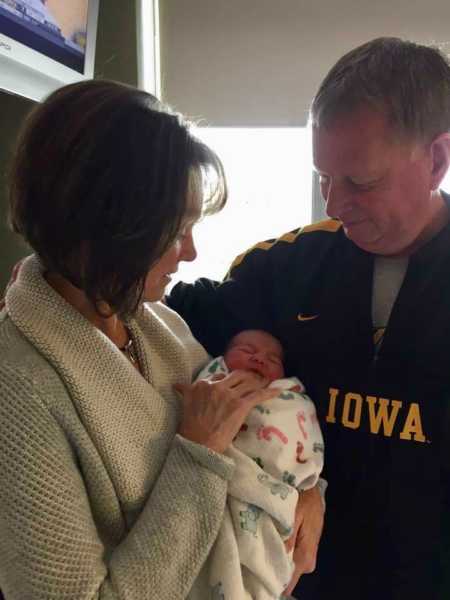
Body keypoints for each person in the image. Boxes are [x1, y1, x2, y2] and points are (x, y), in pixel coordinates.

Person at [167, 37, 450, 600]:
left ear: (438, 160)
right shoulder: (282, 268)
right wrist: (65, 283)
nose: (335, 205)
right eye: (324, 177)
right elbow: (156, 312)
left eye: (361, 183)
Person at [0, 79, 291, 599]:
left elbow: (250, 440)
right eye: (176, 230)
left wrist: (308, 494)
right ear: (105, 224)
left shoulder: (160, 328)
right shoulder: (17, 389)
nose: (191, 253)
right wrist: (198, 454)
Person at [196, 329, 324, 599]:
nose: (260, 359)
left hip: (277, 495)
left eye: (273, 359)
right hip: (225, 481)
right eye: (247, 351)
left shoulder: (288, 396)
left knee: (267, 557)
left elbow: (302, 435)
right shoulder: (212, 382)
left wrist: (311, 487)